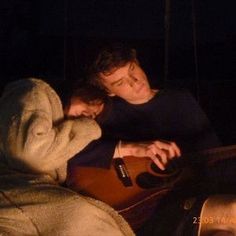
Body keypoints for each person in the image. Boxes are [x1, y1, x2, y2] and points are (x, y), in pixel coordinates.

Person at [66, 43, 224, 235]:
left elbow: (215, 157)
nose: (134, 81)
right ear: (109, 92)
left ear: (138, 63)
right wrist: (128, 148)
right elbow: (66, 151)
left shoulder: (181, 100)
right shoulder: (105, 114)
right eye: (120, 82)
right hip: (141, 213)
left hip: (186, 202)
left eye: (132, 69)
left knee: (227, 219)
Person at [0, 78, 134, 236]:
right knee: (84, 218)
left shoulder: (60, 129)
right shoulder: (34, 92)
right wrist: (89, 128)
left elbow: (82, 153)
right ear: (78, 90)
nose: (88, 116)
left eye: (94, 116)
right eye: (90, 103)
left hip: (21, 200)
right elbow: (30, 156)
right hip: (11, 187)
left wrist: (130, 149)